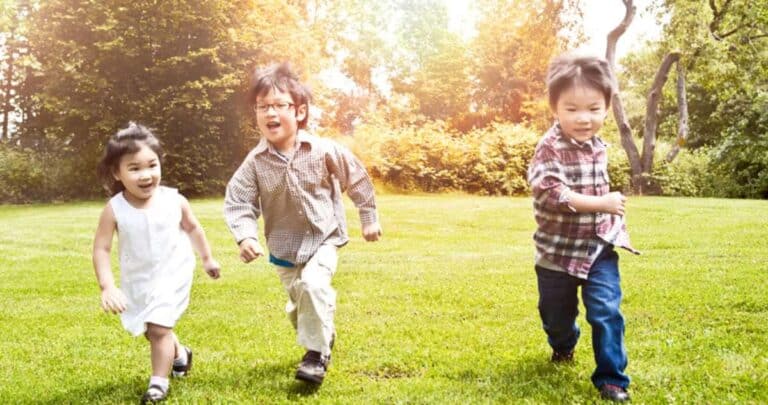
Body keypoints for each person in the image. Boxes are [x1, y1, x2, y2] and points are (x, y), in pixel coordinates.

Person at [223, 62, 382, 385]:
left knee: (312, 286)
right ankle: (323, 335)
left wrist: (369, 218)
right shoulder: (255, 163)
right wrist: (245, 237)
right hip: (284, 249)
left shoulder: (322, 150)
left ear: (299, 111)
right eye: (262, 107)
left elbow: (357, 177)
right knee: (299, 307)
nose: (270, 113)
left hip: (324, 238)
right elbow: (238, 202)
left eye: (279, 105)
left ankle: (315, 357)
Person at [527, 54, 640, 403]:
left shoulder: (597, 145)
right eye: (572, 109)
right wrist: (603, 202)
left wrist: (607, 215)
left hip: (597, 248)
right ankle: (563, 345)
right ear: (554, 107)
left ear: (607, 106)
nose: (583, 118)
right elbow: (551, 193)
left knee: (606, 311)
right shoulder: (549, 147)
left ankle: (612, 380)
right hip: (556, 254)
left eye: (593, 108)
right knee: (556, 317)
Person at [92, 122, 221, 404]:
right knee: (153, 331)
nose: (146, 175)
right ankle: (181, 355)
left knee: (159, 327)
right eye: (134, 168)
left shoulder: (174, 200)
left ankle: (158, 383)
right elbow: (101, 249)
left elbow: (193, 228)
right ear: (117, 173)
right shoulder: (115, 208)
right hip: (138, 278)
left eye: (152, 165)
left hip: (173, 272)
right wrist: (107, 286)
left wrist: (207, 258)